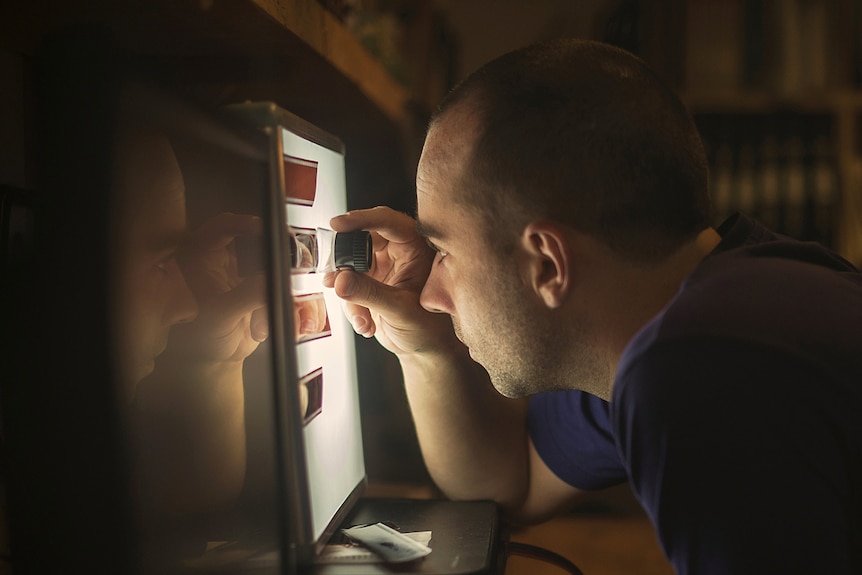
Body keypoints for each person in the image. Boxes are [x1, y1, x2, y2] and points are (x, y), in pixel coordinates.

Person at [323, 39, 862, 574]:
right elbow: (510, 484)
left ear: (549, 266)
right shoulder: (687, 313)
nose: (431, 297)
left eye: (443, 252)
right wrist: (426, 347)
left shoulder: (696, 373)